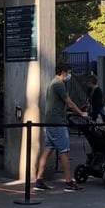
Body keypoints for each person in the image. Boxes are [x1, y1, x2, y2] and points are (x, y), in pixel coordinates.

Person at [34, 63, 88, 192]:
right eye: (68, 72)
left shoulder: (52, 83)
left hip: (50, 121)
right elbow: (68, 102)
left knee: (48, 149)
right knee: (64, 151)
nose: (69, 75)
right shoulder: (59, 84)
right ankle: (69, 182)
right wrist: (81, 113)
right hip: (58, 122)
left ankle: (39, 179)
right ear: (63, 72)